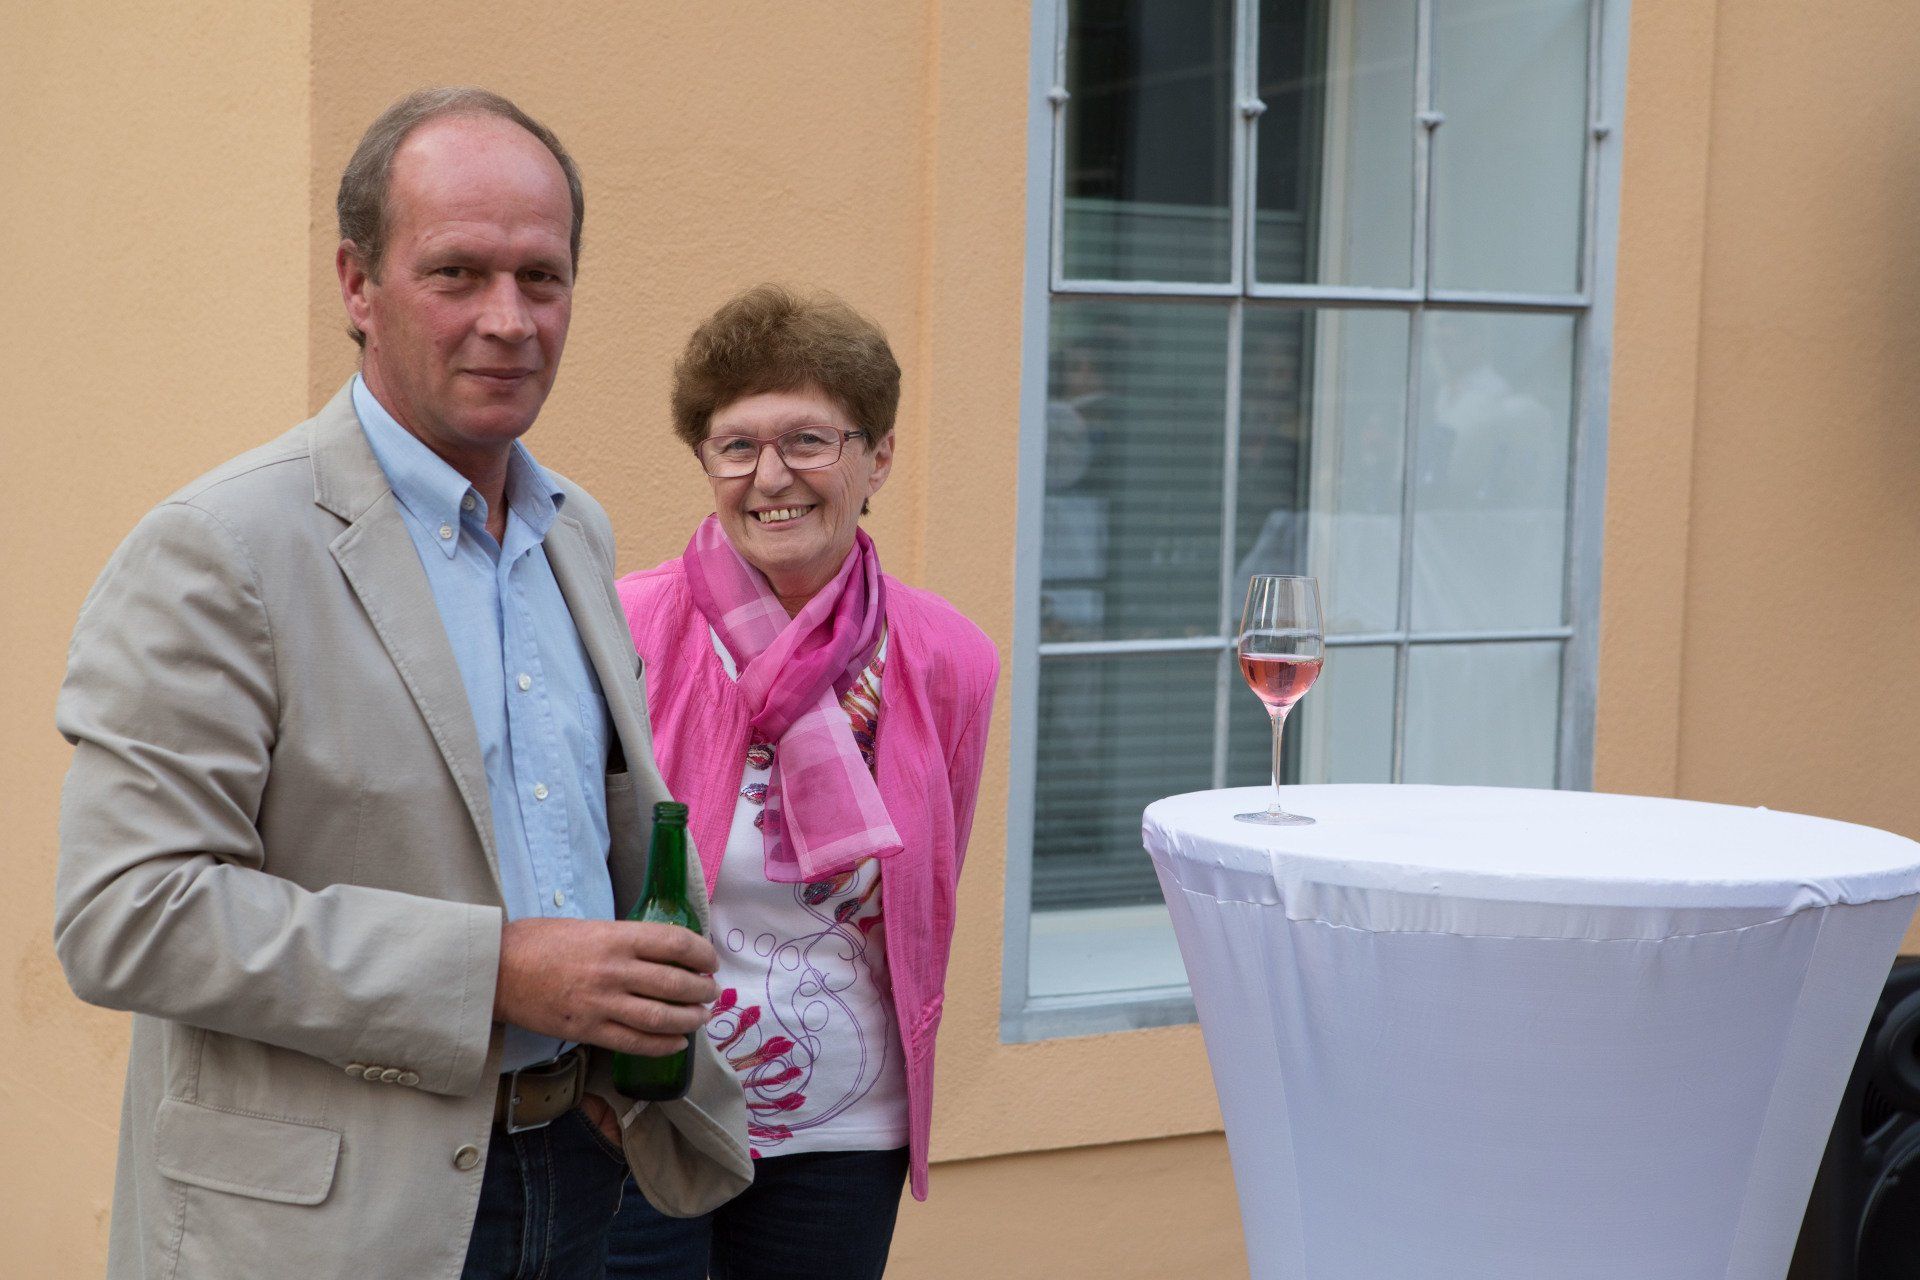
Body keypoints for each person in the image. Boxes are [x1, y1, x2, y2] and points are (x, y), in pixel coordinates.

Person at [53, 86, 749, 1280]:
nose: (509, 319)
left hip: (576, 1165)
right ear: (356, 283)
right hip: (328, 1225)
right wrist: (499, 970)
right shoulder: (221, 547)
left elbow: (589, 837)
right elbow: (127, 912)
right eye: (457, 273)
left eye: (543, 277)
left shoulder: (572, 530)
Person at [605, 285, 999, 1280]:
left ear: (880, 457)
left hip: (843, 1130)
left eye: (808, 441)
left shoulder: (949, 658)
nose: (770, 476)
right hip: (645, 1110)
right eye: (736, 445)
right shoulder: (622, 632)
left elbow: (917, 902)